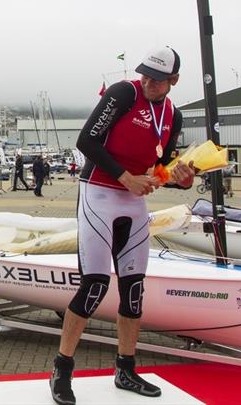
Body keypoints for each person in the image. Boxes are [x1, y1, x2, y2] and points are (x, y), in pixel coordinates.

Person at [50, 47, 195, 405]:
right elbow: (86, 141)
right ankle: (62, 369)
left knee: (133, 291)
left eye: (157, 79)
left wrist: (183, 178)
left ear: (173, 82)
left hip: (134, 199)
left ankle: (125, 370)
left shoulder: (173, 114)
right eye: (145, 74)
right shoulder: (123, 93)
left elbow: (164, 165)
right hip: (99, 193)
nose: (148, 81)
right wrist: (124, 177)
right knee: (95, 286)